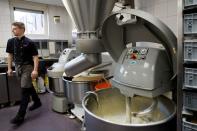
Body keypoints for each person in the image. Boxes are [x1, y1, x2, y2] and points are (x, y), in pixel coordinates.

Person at [6, 22, 42, 125]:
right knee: (28, 86)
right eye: (12, 29)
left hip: (28, 67)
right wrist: (9, 68)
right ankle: (37, 101)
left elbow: (35, 57)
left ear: (22, 29)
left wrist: (35, 70)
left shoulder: (29, 42)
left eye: (15, 29)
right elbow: (10, 55)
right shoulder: (11, 41)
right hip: (18, 67)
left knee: (24, 90)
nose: (13, 31)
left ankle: (20, 115)